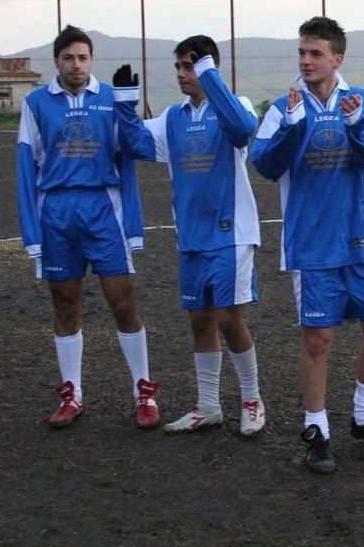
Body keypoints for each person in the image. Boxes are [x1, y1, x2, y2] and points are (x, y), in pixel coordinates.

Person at [251, 16, 364, 474]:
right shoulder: (284, 107)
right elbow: (265, 165)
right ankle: (316, 430)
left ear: (337, 59)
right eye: (302, 52)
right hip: (311, 245)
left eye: (315, 53)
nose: (306, 60)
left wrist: (356, 122)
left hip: (361, 241)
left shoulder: (363, 102)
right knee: (318, 340)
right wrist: (291, 127)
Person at [116, 35, 266, 437]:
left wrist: (208, 74)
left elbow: (242, 129)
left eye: (190, 66)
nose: (182, 74)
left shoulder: (234, 106)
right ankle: (208, 406)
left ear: (208, 68)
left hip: (231, 234)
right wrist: (125, 104)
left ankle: (252, 399)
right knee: (201, 320)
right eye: (179, 67)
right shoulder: (172, 117)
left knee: (229, 318)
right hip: (191, 236)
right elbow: (135, 144)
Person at [16, 24, 160, 430]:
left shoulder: (111, 98)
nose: (76, 65)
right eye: (68, 58)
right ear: (56, 62)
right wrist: (31, 233)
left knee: (122, 303)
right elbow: (26, 166)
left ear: (91, 60)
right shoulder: (36, 103)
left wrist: (129, 108)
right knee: (65, 304)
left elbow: (132, 154)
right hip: (56, 213)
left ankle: (143, 392)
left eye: (82, 58)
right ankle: (72, 393)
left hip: (103, 210)